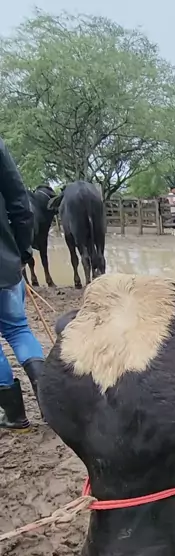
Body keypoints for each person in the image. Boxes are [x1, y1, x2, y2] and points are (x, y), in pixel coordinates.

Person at [0, 137, 44, 431]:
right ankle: (49, 405)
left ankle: (15, 415)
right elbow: (20, 204)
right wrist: (22, 250)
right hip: (4, 261)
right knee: (18, 328)